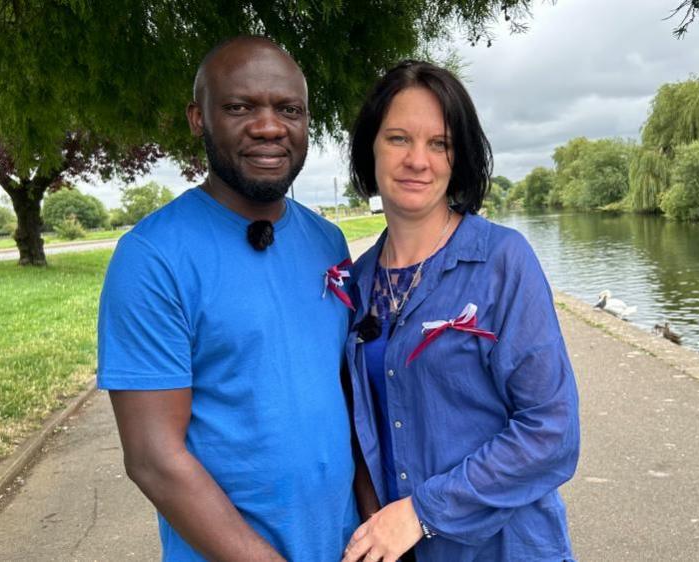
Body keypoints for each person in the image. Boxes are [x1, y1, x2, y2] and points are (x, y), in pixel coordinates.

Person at [97, 36, 359, 561]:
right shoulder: (152, 258)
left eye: (289, 109)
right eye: (240, 107)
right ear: (199, 118)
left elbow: (344, 392)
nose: (269, 126)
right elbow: (154, 459)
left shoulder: (327, 242)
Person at [340, 61, 580, 562]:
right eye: (399, 138)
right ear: (371, 148)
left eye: (439, 144)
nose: (417, 160)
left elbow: (551, 430)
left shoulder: (502, 261)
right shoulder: (358, 282)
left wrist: (421, 512)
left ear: (459, 157)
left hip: (508, 547)